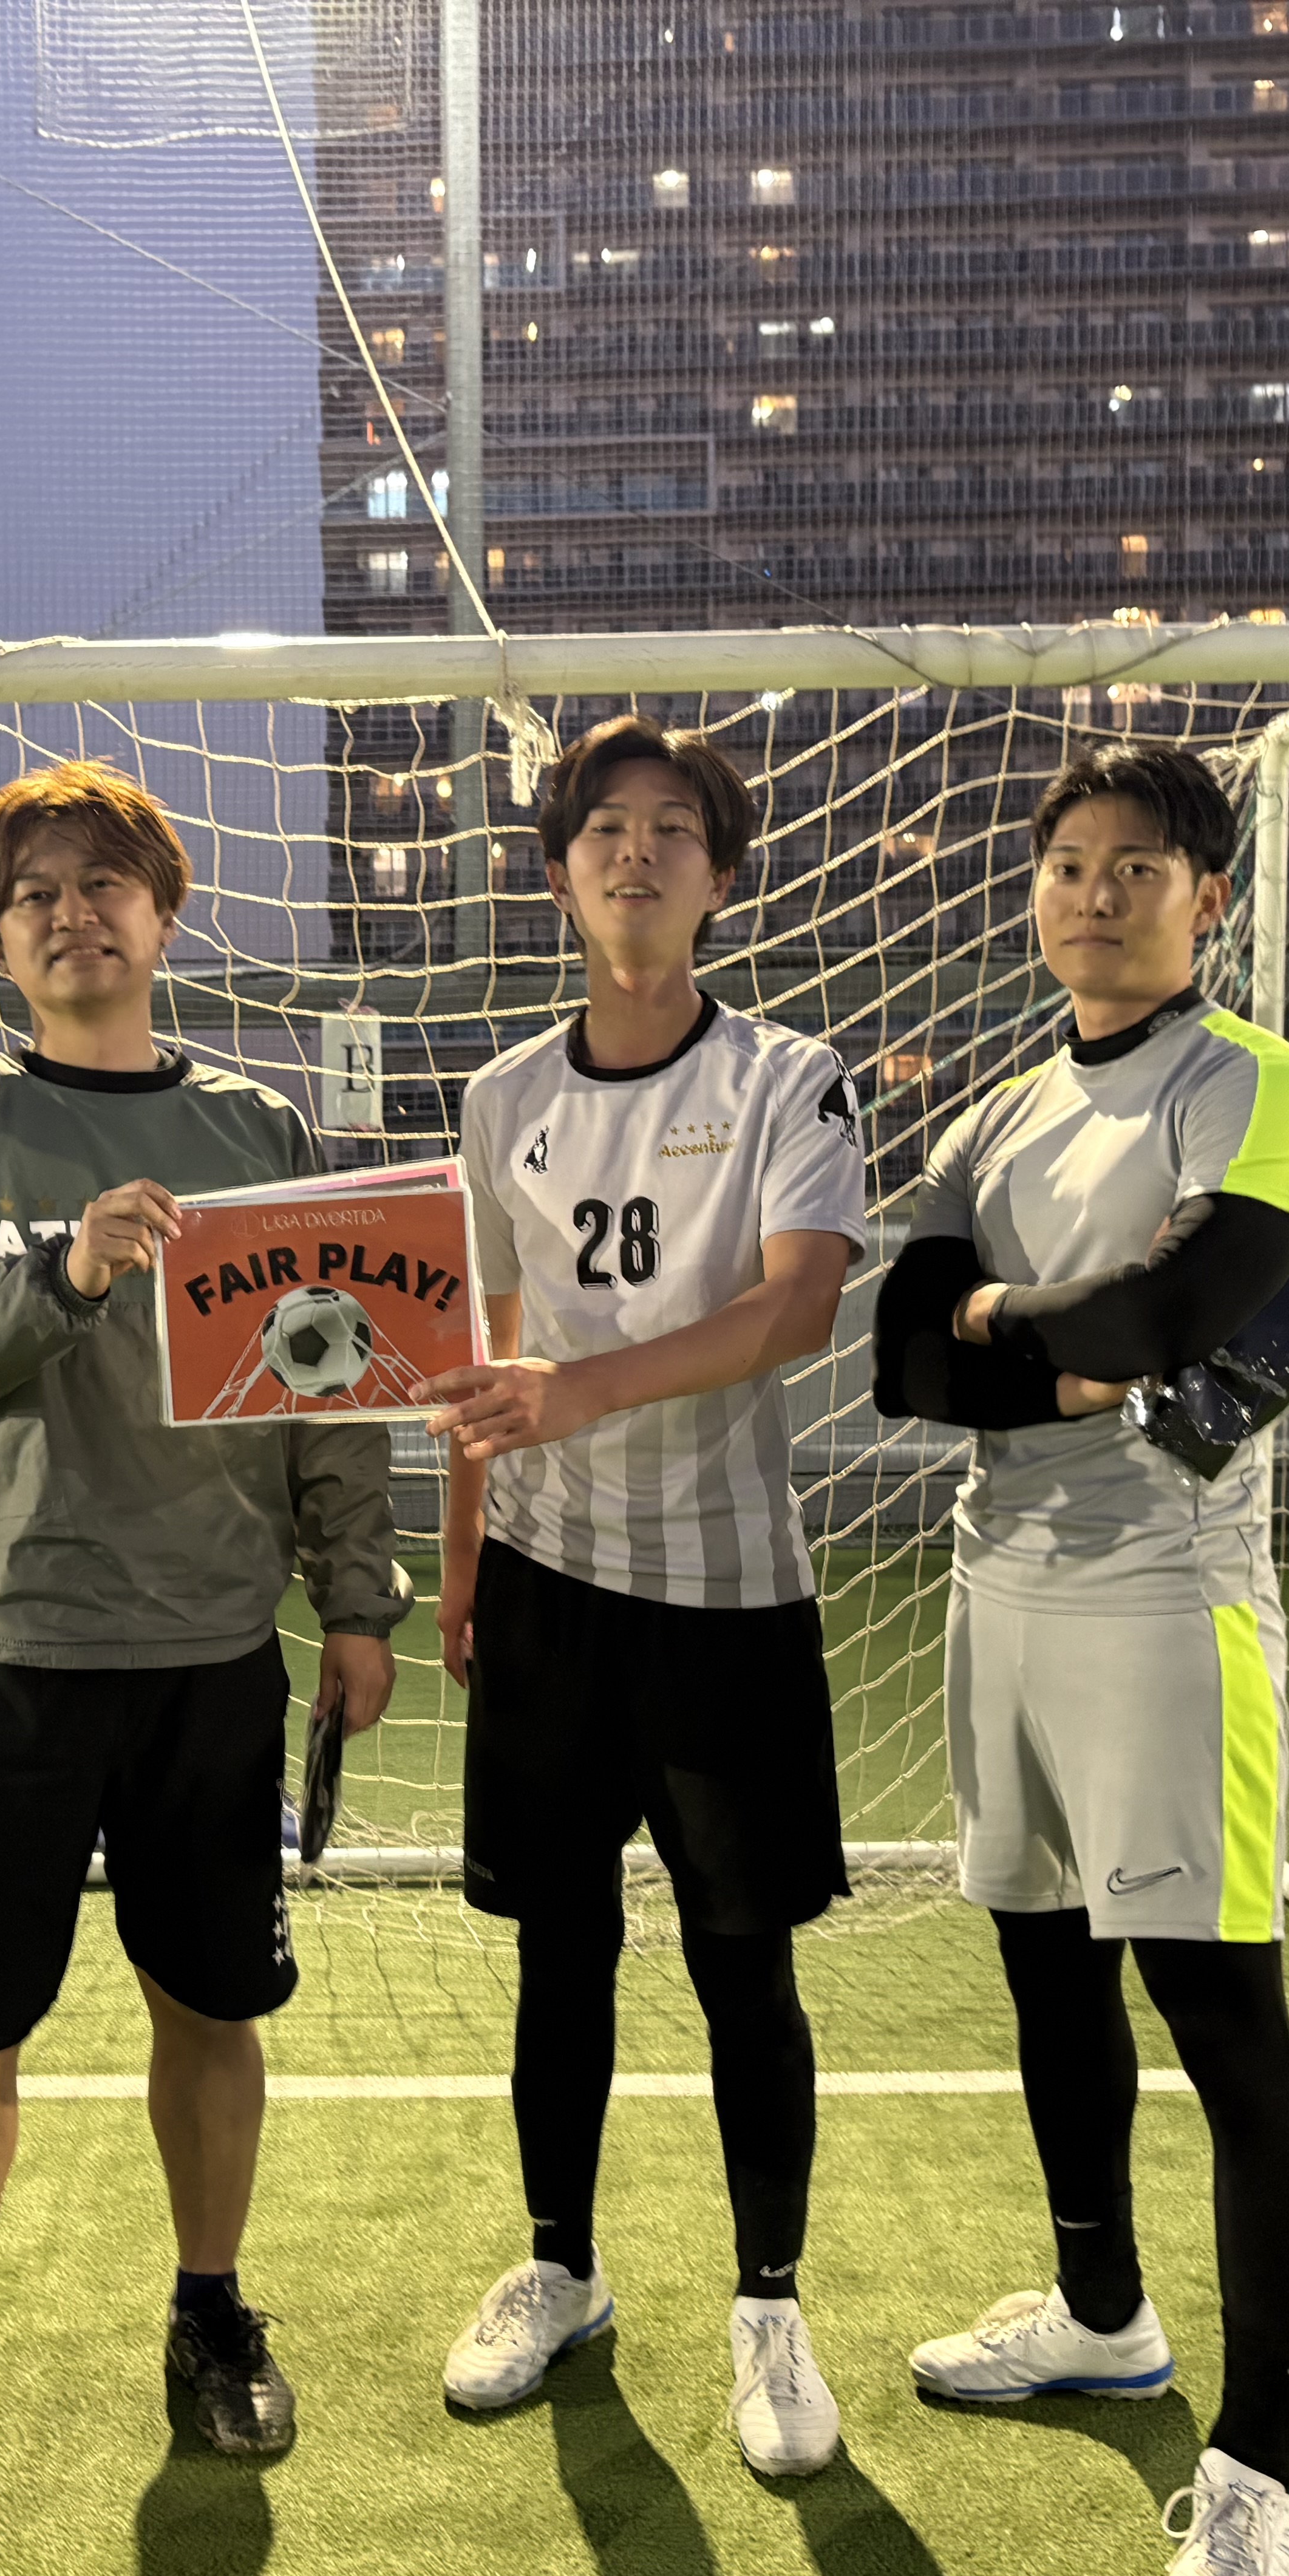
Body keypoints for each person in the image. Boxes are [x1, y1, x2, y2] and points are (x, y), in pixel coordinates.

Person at [0, 758, 407, 2512]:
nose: (73, 914)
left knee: (211, 2004)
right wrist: (67, 1273)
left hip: (211, 1650)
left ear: (164, 911)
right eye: (36, 895)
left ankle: (212, 2311)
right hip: (4, 1648)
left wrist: (355, 1597)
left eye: (104, 884)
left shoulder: (260, 1131)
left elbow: (330, 1378)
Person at [873, 742, 1289, 2576]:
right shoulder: (993, 1116)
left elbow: (1171, 1311)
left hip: (1169, 1602)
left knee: (1222, 2018)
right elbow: (905, 1359)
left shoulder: (1258, 1086)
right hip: (997, 1583)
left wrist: (1017, 1318)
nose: (1093, 893)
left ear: (1206, 897)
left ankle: (1257, 2468)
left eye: (1135, 866)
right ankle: (1100, 2314)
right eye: (1066, 861)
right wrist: (1047, 1346)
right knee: (1046, 1975)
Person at [420, 715, 867, 2478]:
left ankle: (770, 2304)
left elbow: (797, 1307)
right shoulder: (499, 1101)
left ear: (720, 878)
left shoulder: (788, 1078)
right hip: (545, 1589)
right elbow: (483, 1352)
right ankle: (561, 2264)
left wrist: (580, 1391)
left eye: (673, 828)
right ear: (556, 876)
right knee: (562, 1950)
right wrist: (463, 1560)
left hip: (726, 1590)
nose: (635, 851)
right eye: (603, 827)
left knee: (744, 1960)